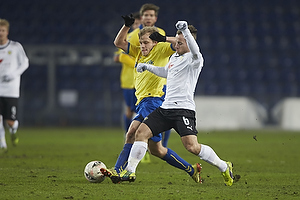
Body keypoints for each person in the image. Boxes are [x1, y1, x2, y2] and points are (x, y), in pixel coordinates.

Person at [113, 21, 235, 186]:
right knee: (140, 133)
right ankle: (130, 171)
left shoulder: (195, 59)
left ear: (188, 42)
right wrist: (146, 67)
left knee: (192, 147)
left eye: (180, 42)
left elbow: (195, 49)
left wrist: (185, 31)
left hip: (183, 110)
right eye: (176, 42)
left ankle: (223, 166)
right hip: (165, 108)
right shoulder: (174, 58)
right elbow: (166, 72)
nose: (175, 45)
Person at [101, 15, 202, 184]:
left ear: (155, 43)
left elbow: (183, 43)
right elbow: (118, 43)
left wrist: (162, 38)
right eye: (141, 42)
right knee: (157, 150)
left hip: (154, 101)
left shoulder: (162, 49)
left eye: (146, 42)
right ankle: (191, 169)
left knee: (134, 134)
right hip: (142, 103)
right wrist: (126, 26)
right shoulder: (138, 52)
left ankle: (121, 170)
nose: (143, 46)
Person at [0, 19, 29, 154]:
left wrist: (14, 74)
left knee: (9, 121)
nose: (0, 33)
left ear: (7, 32)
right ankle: (2, 144)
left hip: (11, 90)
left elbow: (25, 63)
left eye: (3, 30)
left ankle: (13, 130)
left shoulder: (15, 47)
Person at [113, 12, 141, 133]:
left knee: (140, 110)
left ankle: (139, 138)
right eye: (135, 24)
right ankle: (128, 136)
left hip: (141, 81)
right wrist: (138, 64)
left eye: (139, 24)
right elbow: (118, 57)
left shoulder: (145, 38)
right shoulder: (128, 37)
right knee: (130, 110)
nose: (137, 26)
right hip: (129, 81)